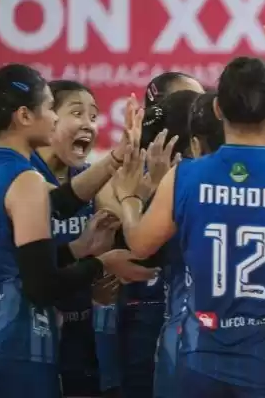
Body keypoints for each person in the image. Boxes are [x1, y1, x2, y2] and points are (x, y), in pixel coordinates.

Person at [111, 56, 265, 397]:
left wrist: (129, 199)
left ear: (218, 109)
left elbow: (140, 245)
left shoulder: (183, 177)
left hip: (201, 362)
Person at [0, 64, 154, 398]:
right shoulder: (26, 179)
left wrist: (77, 248)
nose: (53, 118)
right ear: (24, 116)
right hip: (15, 344)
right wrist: (102, 264)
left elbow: (54, 209)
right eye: (50, 108)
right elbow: (42, 285)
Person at [29, 79, 123, 397]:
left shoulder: (91, 176)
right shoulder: (23, 176)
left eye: (94, 117)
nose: (88, 124)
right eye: (77, 113)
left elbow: (122, 233)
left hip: (83, 330)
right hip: (29, 331)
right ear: (47, 118)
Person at [116, 72, 203, 398]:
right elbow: (129, 247)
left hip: (191, 320)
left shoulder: (203, 173)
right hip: (143, 308)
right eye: (188, 103)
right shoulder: (128, 168)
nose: (197, 110)